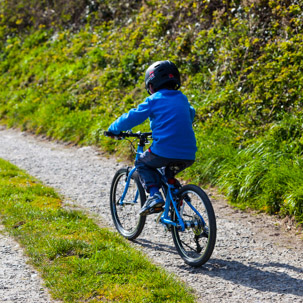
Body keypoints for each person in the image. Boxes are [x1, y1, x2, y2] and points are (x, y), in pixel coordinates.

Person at [108, 60, 197, 215]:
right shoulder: (182, 98)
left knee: (142, 162)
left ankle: (154, 196)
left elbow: (132, 117)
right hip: (188, 154)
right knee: (166, 172)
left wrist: (114, 128)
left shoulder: (153, 100)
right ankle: (177, 196)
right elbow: (191, 113)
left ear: (151, 85)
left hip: (163, 150)